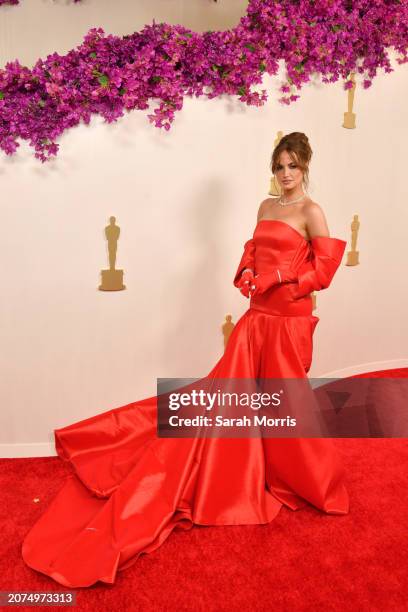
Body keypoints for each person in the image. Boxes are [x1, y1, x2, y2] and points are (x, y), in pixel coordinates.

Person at [22, 132, 349, 588]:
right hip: (257, 315)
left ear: (306, 166)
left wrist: (284, 276)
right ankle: (245, 470)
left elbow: (326, 270)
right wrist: (252, 270)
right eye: (279, 166)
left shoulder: (311, 211)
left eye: (293, 166)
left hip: (289, 318)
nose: (286, 174)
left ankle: (301, 478)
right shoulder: (266, 206)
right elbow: (251, 249)